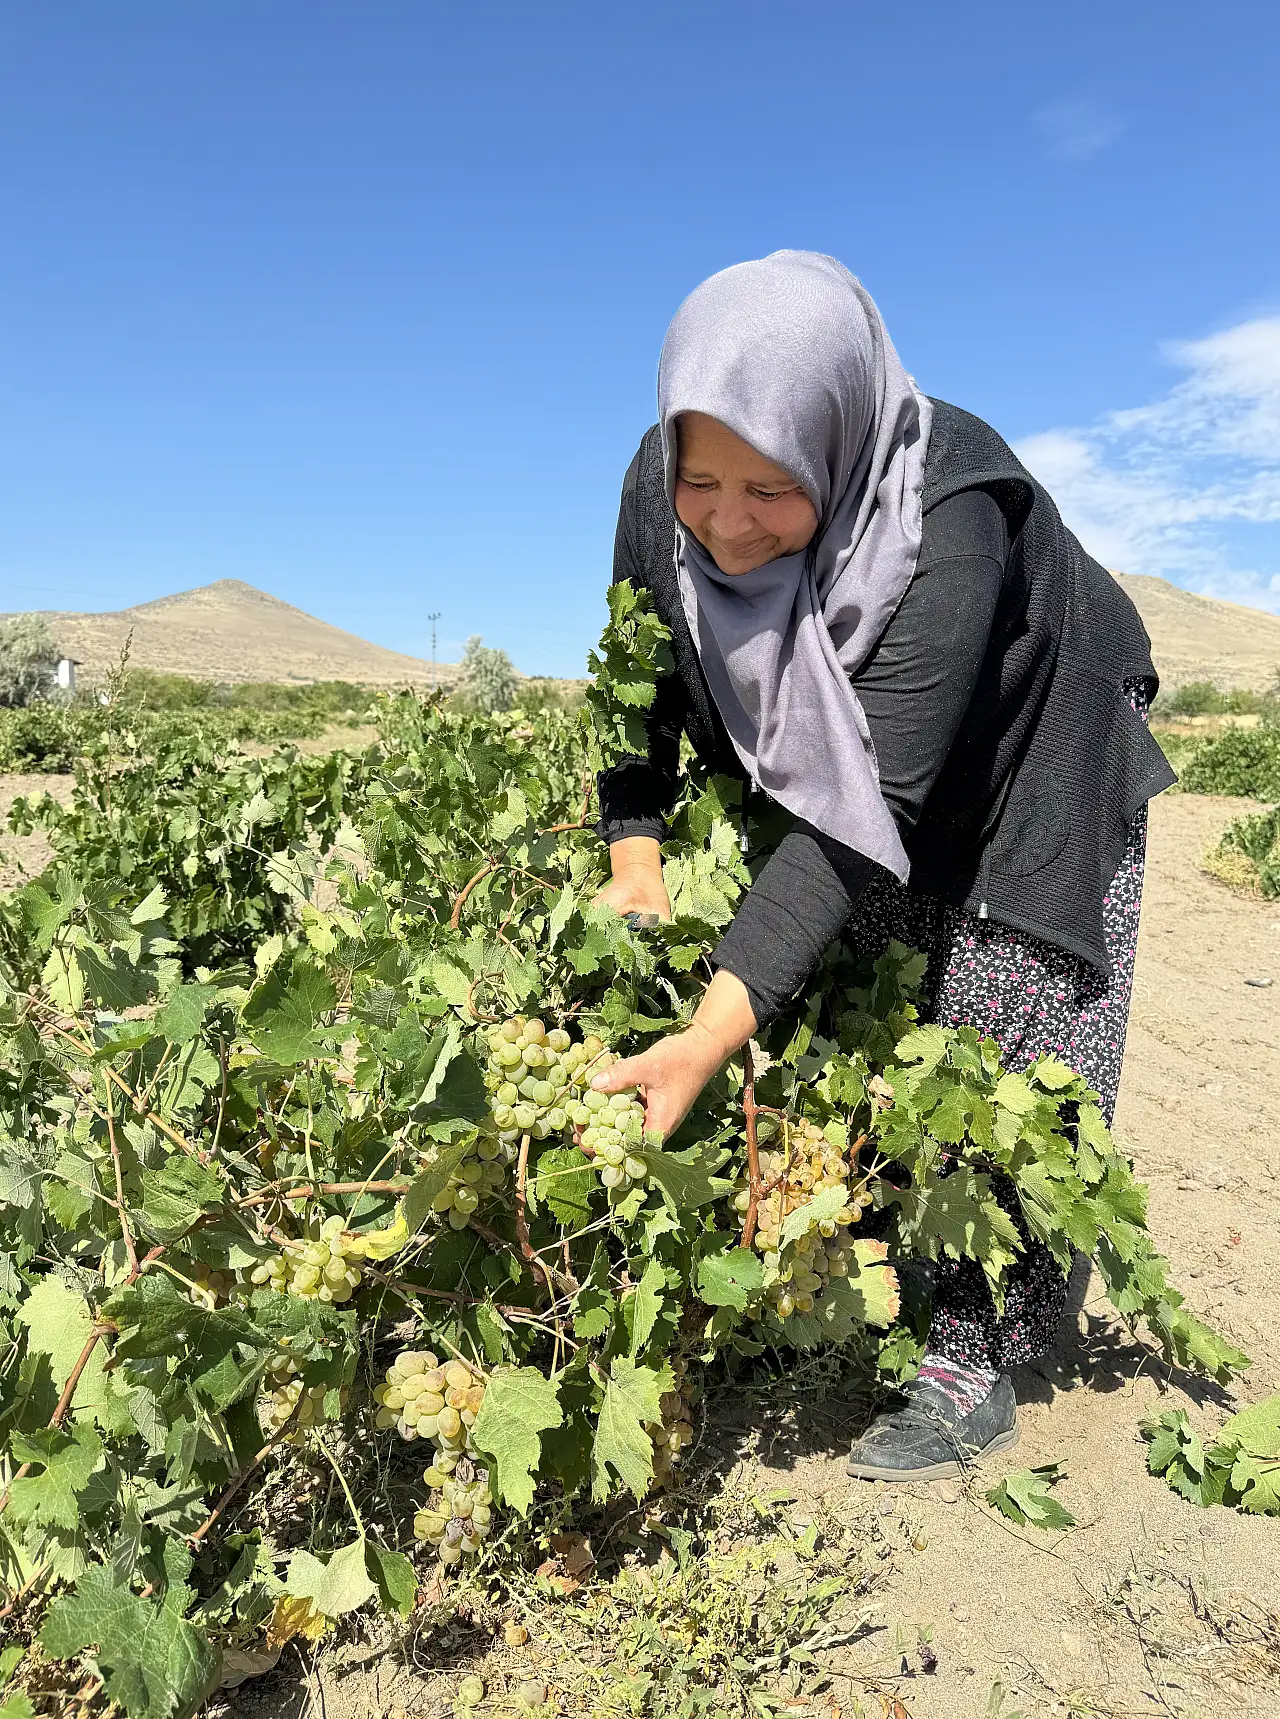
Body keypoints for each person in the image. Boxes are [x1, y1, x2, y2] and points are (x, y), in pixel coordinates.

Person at [588, 250, 1174, 1483]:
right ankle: (872, 1266)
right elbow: (632, 680)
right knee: (859, 978)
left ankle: (979, 1354)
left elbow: (867, 812)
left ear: (839, 451)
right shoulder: (662, 486)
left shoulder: (947, 512)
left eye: (773, 488)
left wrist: (705, 1039)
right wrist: (631, 845)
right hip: (884, 750)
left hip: (1030, 747)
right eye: (703, 482)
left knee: (1001, 1041)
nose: (728, 524)